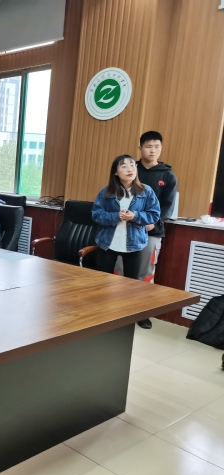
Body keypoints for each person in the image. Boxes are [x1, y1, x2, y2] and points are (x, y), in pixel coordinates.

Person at [92, 154, 161, 328]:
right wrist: (116, 216)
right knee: (103, 282)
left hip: (134, 244)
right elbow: (96, 215)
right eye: (123, 166)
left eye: (132, 165)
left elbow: (154, 215)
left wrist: (135, 216)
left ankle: (136, 315)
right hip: (108, 243)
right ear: (116, 172)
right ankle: (101, 315)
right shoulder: (106, 192)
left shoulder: (146, 191)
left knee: (133, 283)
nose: (130, 169)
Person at [135, 131, 178, 329]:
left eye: (157, 147)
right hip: (125, 230)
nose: (153, 151)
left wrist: (154, 222)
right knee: (120, 270)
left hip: (151, 232)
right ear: (140, 148)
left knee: (146, 273)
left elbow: (168, 206)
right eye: (148, 146)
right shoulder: (130, 169)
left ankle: (143, 313)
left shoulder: (167, 175)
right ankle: (117, 310)